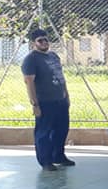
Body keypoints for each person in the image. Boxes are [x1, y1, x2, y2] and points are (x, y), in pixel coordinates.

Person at [21, 28, 73, 171]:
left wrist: (66, 95)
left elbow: (61, 77)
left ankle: (58, 156)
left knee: (61, 129)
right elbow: (29, 82)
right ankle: (45, 161)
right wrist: (34, 104)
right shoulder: (31, 59)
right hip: (45, 102)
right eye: (40, 41)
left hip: (60, 100)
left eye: (46, 40)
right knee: (44, 132)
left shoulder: (54, 56)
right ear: (33, 43)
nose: (44, 43)